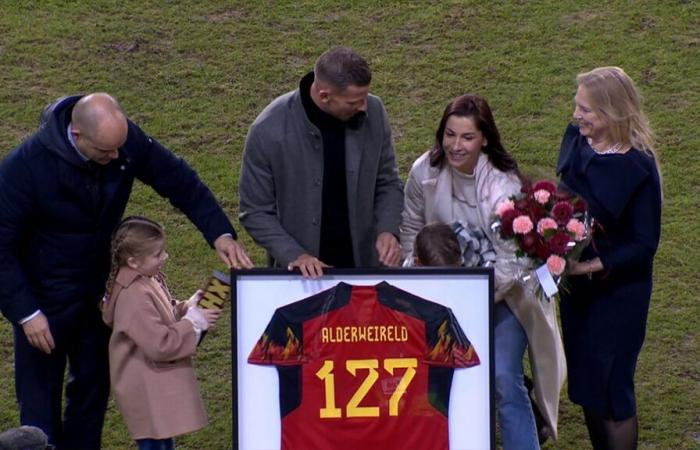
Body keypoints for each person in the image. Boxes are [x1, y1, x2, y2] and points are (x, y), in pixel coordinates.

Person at [0, 93, 253, 449]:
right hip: (43, 302)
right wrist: (27, 313)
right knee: (39, 406)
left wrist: (219, 233)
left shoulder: (122, 141)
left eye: (120, 147)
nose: (118, 158)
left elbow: (179, 181)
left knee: (90, 395)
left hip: (97, 298)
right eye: (106, 151)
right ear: (78, 135)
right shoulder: (22, 169)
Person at [400, 94, 566, 449]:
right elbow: (411, 230)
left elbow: (512, 260)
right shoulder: (423, 171)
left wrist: (471, 295)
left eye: (467, 137)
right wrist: (413, 279)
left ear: (485, 139)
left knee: (502, 375)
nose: (455, 146)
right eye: (449, 135)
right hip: (443, 290)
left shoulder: (503, 186)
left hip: (505, 295)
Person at [557, 67, 662, 450]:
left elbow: (644, 243)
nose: (576, 116)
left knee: (613, 387)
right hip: (577, 291)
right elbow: (561, 199)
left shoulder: (638, 167)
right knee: (587, 383)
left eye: (586, 110)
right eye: (577, 106)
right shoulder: (576, 141)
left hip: (618, 295)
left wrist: (588, 266)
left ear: (613, 111)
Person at [239, 46, 404, 278]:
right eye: (354, 102)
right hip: (304, 280)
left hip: (364, 271)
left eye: (365, 97)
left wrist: (388, 229)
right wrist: (295, 255)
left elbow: (388, 182)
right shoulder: (268, 130)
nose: (364, 106)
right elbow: (255, 211)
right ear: (325, 96)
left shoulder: (375, 112)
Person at [101, 216, 220, 450]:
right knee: (155, 445)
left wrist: (186, 308)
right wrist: (193, 322)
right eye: (158, 255)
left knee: (162, 443)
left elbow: (159, 316)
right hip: (147, 391)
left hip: (151, 387)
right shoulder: (133, 295)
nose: (165, 258)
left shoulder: (144, 279)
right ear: (133, 261)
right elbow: (160, 344)